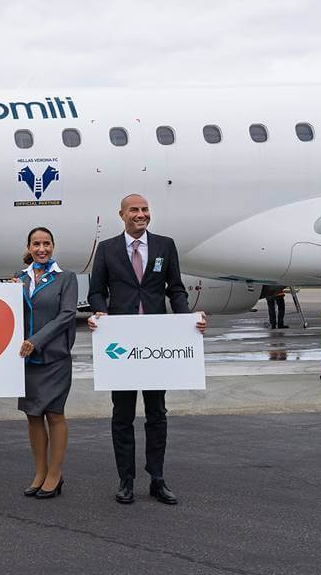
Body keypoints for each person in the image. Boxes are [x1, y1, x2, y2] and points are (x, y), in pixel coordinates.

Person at [88, 194, 207, 506]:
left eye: (144, 209)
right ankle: (126, 480)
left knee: (157, 414)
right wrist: (100, 314)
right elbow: (97, 291)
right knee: (122, 415)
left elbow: (175, 289)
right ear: (122, 215)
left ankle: (157, 478)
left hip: (155, 344)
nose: (140, 214)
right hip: (122, 345)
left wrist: (187, 321)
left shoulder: (165, 246)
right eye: (134, 210)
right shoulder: (107, 249)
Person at [15, 227, 77, 499]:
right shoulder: (19, 279)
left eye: (47, 243)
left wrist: (36, 340)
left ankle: (55, 473)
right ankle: (39, 472)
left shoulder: (66, 278)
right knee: (33, 415)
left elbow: (67, 315)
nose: (42, 249)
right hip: (26, 359)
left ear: (53, 246)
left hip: (54, 358)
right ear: (29, 247)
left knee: (54, 414)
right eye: (36, 244)